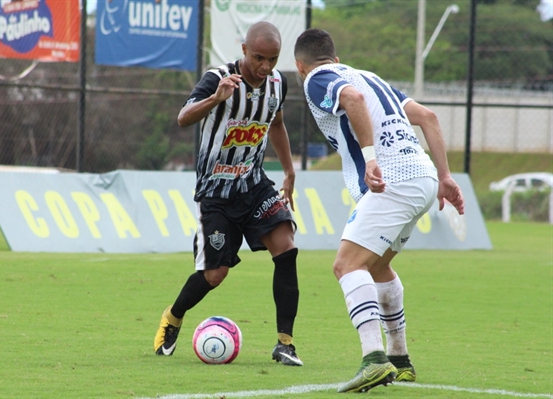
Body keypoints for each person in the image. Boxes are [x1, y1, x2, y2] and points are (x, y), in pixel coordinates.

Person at [293, 29, 465, 392]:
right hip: (423, 178)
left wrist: (371, 159)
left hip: (393, 181)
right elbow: (429, 117)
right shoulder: (370, 77)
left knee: (347, 265)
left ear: (299, 66)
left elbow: (351, 99)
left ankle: (373, 359)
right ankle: (400, 358)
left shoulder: (316, 80)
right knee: (379, 266)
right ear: (337, 58)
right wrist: (445, 176)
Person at [153, 21, 303, 366]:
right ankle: (173, 317)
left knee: (286, 247)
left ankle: (285, 343)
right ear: (245, 50)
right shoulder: (216, 78)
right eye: (260, 58)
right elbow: (183, 118)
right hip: (216, 194)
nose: (266, 67)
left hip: (253, 185)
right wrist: (215, 98)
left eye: (273, 59)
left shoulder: (277, 84)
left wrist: (290, 170)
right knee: (215, 275)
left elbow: (276, 123)